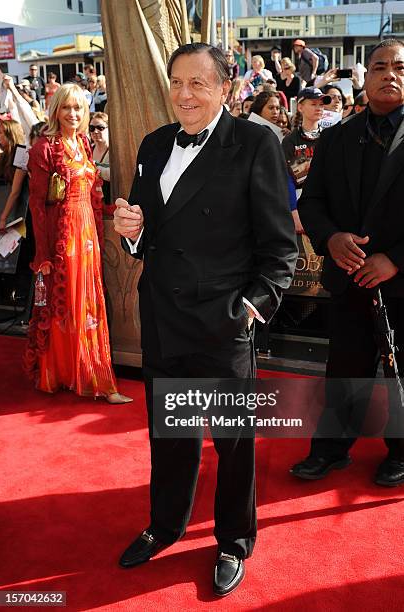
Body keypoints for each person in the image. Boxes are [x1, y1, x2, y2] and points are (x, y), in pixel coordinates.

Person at [113, 43, 297, 596]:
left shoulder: (254, 141)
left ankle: (234, 541)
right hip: (164, 314)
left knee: (232, 440)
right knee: (170, 434)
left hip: (223, 319)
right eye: (176, 82)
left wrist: (251, 308)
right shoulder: (153, 144)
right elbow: (150, 234)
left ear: (225, 88)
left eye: (198, 83)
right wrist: (131, 229)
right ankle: (165, 524)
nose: (184, 95)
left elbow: (279, 245)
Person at [291, 39, 404, 487]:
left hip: (399, 278)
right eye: (379, 67)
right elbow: (313, 201)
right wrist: (332, 239)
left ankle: (401, 452)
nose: (389, 75)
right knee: (344, 366)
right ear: (365, 75)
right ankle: (331, 449)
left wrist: (395, 260)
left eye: (399, 67)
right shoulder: (338, 136)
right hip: (348, 277)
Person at [24, 83, 132, 405]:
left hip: (88, 235)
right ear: (56, 110)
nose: (73, 114)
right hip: (64, 236)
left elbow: (93, 194)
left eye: (79, 108)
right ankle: (60, 373)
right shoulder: (43, 149)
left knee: (88, 305)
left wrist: (115, 209)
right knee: (66, 305)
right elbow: (37, 207)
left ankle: (88, 374)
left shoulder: (84, 143)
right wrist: (43, 254)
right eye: (67, 108)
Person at [282, 87, 331, 234]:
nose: (319, 108)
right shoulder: (290, 140)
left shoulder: (330, 137)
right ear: (300, 107)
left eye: (321, 104)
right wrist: (294, 210)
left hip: (327, 203)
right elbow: (286, 178)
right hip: (300, 202)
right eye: (314, 104)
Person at [90, 111, 111, 205]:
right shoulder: (88, 150)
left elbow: (112, 174)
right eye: (92, 128)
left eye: (100, 128)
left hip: (109, 201)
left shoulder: (114, 152)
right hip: (92, 202)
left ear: (108, 129)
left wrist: (91, 166)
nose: (95, 131)